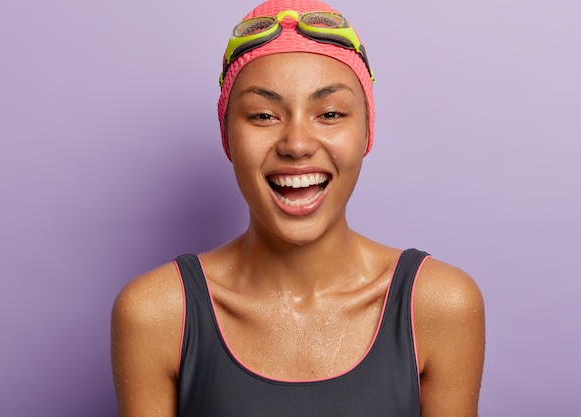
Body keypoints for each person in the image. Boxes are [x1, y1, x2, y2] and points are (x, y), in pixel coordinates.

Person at [110, 0, 485, 415]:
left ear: (367, 132)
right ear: (227, 137)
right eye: (264, 115)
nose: (298, 144)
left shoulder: (437, 304)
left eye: (329, 113)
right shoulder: (157, 312)